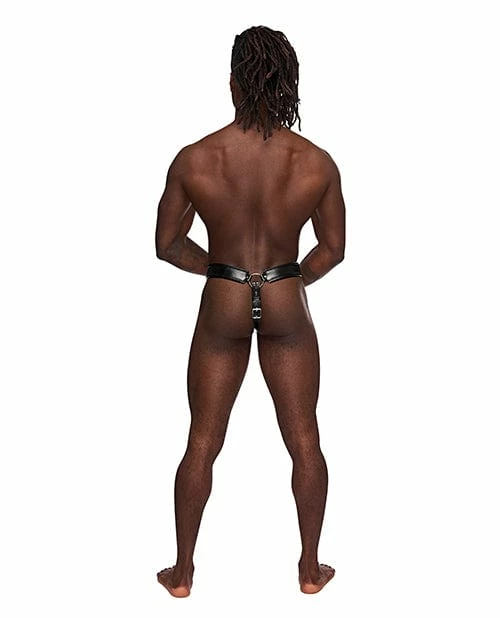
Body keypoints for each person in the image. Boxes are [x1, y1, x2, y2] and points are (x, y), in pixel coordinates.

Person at [155, 25, 346, 597]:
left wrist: (220, 271)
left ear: (234, 83)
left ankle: (182, 573)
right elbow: (332, 249)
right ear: (286, 81)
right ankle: (309, 569)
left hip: (225, 298)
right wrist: (287, 280)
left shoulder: (197, 158)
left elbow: (168, 244)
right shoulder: (315, 162)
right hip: (286, 297)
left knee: (202, 440)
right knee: (305, 439)